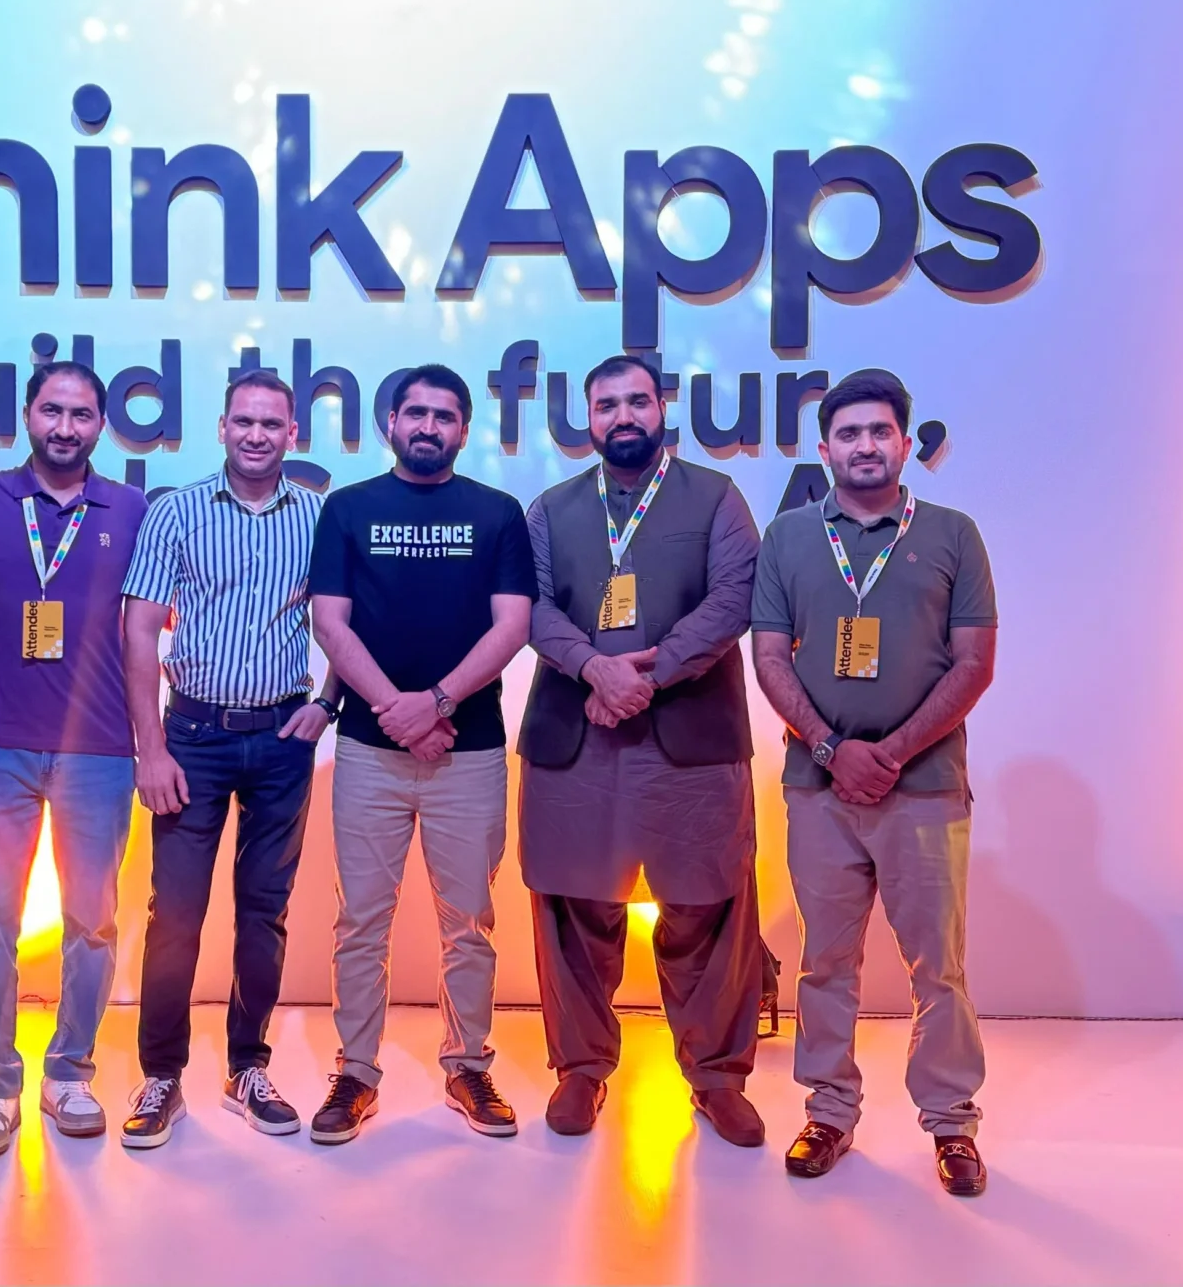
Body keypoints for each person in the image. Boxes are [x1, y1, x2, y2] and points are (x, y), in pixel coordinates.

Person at [750, 367, 998, 1196]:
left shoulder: (953, 534)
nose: (864, 445)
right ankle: (828, 1113)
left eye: (879, 431)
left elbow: (974, 663)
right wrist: (831, 750)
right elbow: (769, 658)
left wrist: (889, 753)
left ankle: (952, 1124)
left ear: (904, 443)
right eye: (848, 433)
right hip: (818, 791)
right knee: (826, 963)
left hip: (925, 789)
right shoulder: (788, 538)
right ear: (824, 450)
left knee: (939, 969)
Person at [515, 354, 767, 1146]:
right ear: (587, 419)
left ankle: (717, 1078)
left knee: (708, 906)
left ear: (662, 408)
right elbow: (530, 606)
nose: (622, 416)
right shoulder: (551, 508)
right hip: (577, 736)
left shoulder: (716, 498)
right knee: (574, 908)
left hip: (690, 740)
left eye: (636, 402)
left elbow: (734, 598)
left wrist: (645, 678)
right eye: (606, 405)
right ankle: (580, 1069)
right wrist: (595, 669)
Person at [304, 365, 535, 1145]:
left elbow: (512, 627)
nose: (429, 426)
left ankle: (468, 1065)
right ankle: (355, 1073)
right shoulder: (349, 508)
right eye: (416, 413)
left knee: (468, 922)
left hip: (469, 751)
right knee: (360, 922)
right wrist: (397, 714)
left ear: (464, 429)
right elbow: (330, 623)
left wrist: (434, 704)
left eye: (444, 416)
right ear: (391, 424)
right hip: (370, 753)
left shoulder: (496, 513)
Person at [0, 362, 150, 1160]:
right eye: (52, 411)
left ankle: (69, 1074)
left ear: (101, 425)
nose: (65, 427)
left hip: (99, 748)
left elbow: (171, 605)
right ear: (28, 414)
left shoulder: (131, 509)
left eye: (81, 414)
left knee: (92, 923)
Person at [117, 369, 334, 1149]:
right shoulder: (175, 511)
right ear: (221, 427)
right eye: (244, 421)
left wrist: (329, 702)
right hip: (193, 739)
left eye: (272, 424)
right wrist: (150, 748)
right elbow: (139, 630)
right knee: (174, 913)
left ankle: (248, 1067)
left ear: (292, 434)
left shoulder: (318, 517)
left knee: (264, 911)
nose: (256, 435)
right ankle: (161, 1076)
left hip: (282, 740)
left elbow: (348, 622)